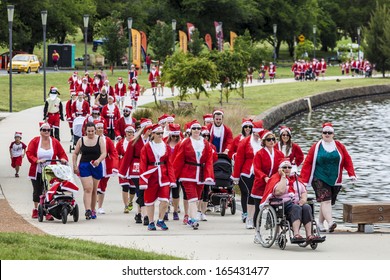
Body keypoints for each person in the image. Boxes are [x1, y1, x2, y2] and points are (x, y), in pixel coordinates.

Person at [300, 122, 357, 232]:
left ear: (333, 134)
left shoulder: (339, 146)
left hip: (335, 179)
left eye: (329, 132)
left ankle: (320, 223)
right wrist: (304, 180)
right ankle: (330, 222)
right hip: (319, 177)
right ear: (322, 134)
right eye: (324, 132)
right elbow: (307, 163)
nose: (327, 134)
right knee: (325, 200)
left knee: (326, 201)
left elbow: (347, 159)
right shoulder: (316, 147)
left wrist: (351, 173)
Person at [259, 159, 318, 244]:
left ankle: (309, 235)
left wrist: (303, 199)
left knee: (307, 207)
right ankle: (296, 234)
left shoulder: (296, 179)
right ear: (280, 169)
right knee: (296, 207)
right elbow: (279, 192)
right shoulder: (276, 178)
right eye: (284, 167)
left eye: (289, 167)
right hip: (282, 205)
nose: (287, 169)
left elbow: (304, 191)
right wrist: (283, 177)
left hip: (297, 203)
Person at [173, 120, 215, 230]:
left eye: (198, 128)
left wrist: (209, 175)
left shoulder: (205, 143)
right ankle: (194, 219)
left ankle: (191, 218)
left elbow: (209, 160)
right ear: (190, 130)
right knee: (192, 198)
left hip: (200, 174)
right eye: (194, 128)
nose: (196, 130)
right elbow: (178, 159)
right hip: (187, 174)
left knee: (197, 198)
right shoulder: (185, 142)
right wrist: (174, 176)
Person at [26, 122, 68, 220]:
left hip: (51, 171)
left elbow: (62, 153)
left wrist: (63, 159)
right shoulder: (35, 141)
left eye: (48, 130)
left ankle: (49, 210)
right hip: (38, 170)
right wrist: (37, 160)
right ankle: (36, 209)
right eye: (44, 130)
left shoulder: (54, 141)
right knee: (37, 191)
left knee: (50, 190)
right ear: (40, 131)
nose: (46, 132)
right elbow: (29, 153)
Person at [139, 124, 176, 231]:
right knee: (149, 201)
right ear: (153, 134)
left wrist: (172, 179)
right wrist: (143, 181)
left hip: (164, 176)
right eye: (158, 133)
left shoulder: (166, 147)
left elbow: (170, 164)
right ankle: (151, 222)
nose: (160, 135)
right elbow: (143, 164)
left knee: (165, 200)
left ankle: (160, 220)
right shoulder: (146, 147)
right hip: (151, 176)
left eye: (161, 133)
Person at [118, 118, 153, 225]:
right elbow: (127, 157)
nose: (151, 131)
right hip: (136, 168)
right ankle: (145, 215)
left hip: (149, 169)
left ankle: (138, 214)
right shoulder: (134, 141)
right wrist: (123, 172)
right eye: (149, 129)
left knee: (145, 192)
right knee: (141, 191)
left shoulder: (153, 140)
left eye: (151, 129)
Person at [72, 122, 107, 220]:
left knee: (94, 189)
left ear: (95, 130)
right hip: (84, 165)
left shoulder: (100, 140)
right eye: (89, 131)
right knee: (88, 188)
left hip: (96, 165)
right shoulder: (81, 140)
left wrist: (98, 160)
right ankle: (87, 210)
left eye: (92, 131)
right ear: (85, 131)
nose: (90, 133)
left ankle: (93, 209)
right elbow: (75, 153)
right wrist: (75, 165)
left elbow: (104, 153)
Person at [232, 121, 263, 228]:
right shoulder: (245, 142)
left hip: (260, 174)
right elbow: (239, 160)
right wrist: (235, 176)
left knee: (259, 196)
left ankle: (256, 217)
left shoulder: (265, 142)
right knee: (250, 193)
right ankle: (249, 218)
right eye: (255, 133)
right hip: (246, 173)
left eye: (259, 133)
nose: (256, 135)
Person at [251, 130, 285, 229]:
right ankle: (257, 229)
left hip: (273, 184)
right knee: (259, 209)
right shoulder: (259, 154)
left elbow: (282, 166)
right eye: (269, 139)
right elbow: (256, 169)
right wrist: (264, 177)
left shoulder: (279, 154)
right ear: (264, 141)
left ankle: (270, 226)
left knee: (274, 206)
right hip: (260, 185)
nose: (271, 141)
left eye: (273, 139)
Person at [94, 121, 118, 214]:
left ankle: (100, 206)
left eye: (101, 128)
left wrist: (115, 166)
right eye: (98, 128)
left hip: (104, 165)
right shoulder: (91, 139)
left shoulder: (107, 140)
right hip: (94, 164)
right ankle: (92, 206)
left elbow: (114, 152)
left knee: (102, 186)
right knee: (94, 186)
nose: (100, 130)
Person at [163, 123, 183, 221]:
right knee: (166, 193)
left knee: (176, 193)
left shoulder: (181, 144)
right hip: (166, 172)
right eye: (173, 136)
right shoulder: (164, 143)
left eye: (176, 136)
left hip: (177, 172)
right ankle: (166, 211)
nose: (175, 138)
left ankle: (175, 211)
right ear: (170, 135)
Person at [116, 124, 136, 213]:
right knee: (125, 186)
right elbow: (115, 154)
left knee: (132, 188)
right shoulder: (120, 143)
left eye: (131, 132)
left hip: (132, 166)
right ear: (125, 133)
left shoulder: (136, 142)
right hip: (123, 166)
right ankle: (126, 205)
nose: (130, 133)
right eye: (128, 132)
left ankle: (130, 200)